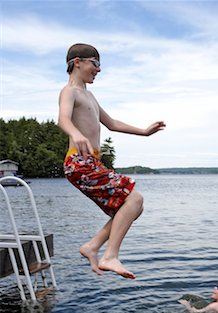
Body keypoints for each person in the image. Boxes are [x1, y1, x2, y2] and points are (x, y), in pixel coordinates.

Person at [58, 43, 166, 279]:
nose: (98, 70)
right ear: (78, 62)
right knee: (134, 197)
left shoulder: (89, 96)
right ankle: (109, 256)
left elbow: (112, 123)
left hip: (92, 163)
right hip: (79, 162)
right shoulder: (70, 92)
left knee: (133, 207)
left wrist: (144, 132)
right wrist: (75, 133)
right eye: (95, 64)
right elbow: (63, 119)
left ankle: (93, 246)